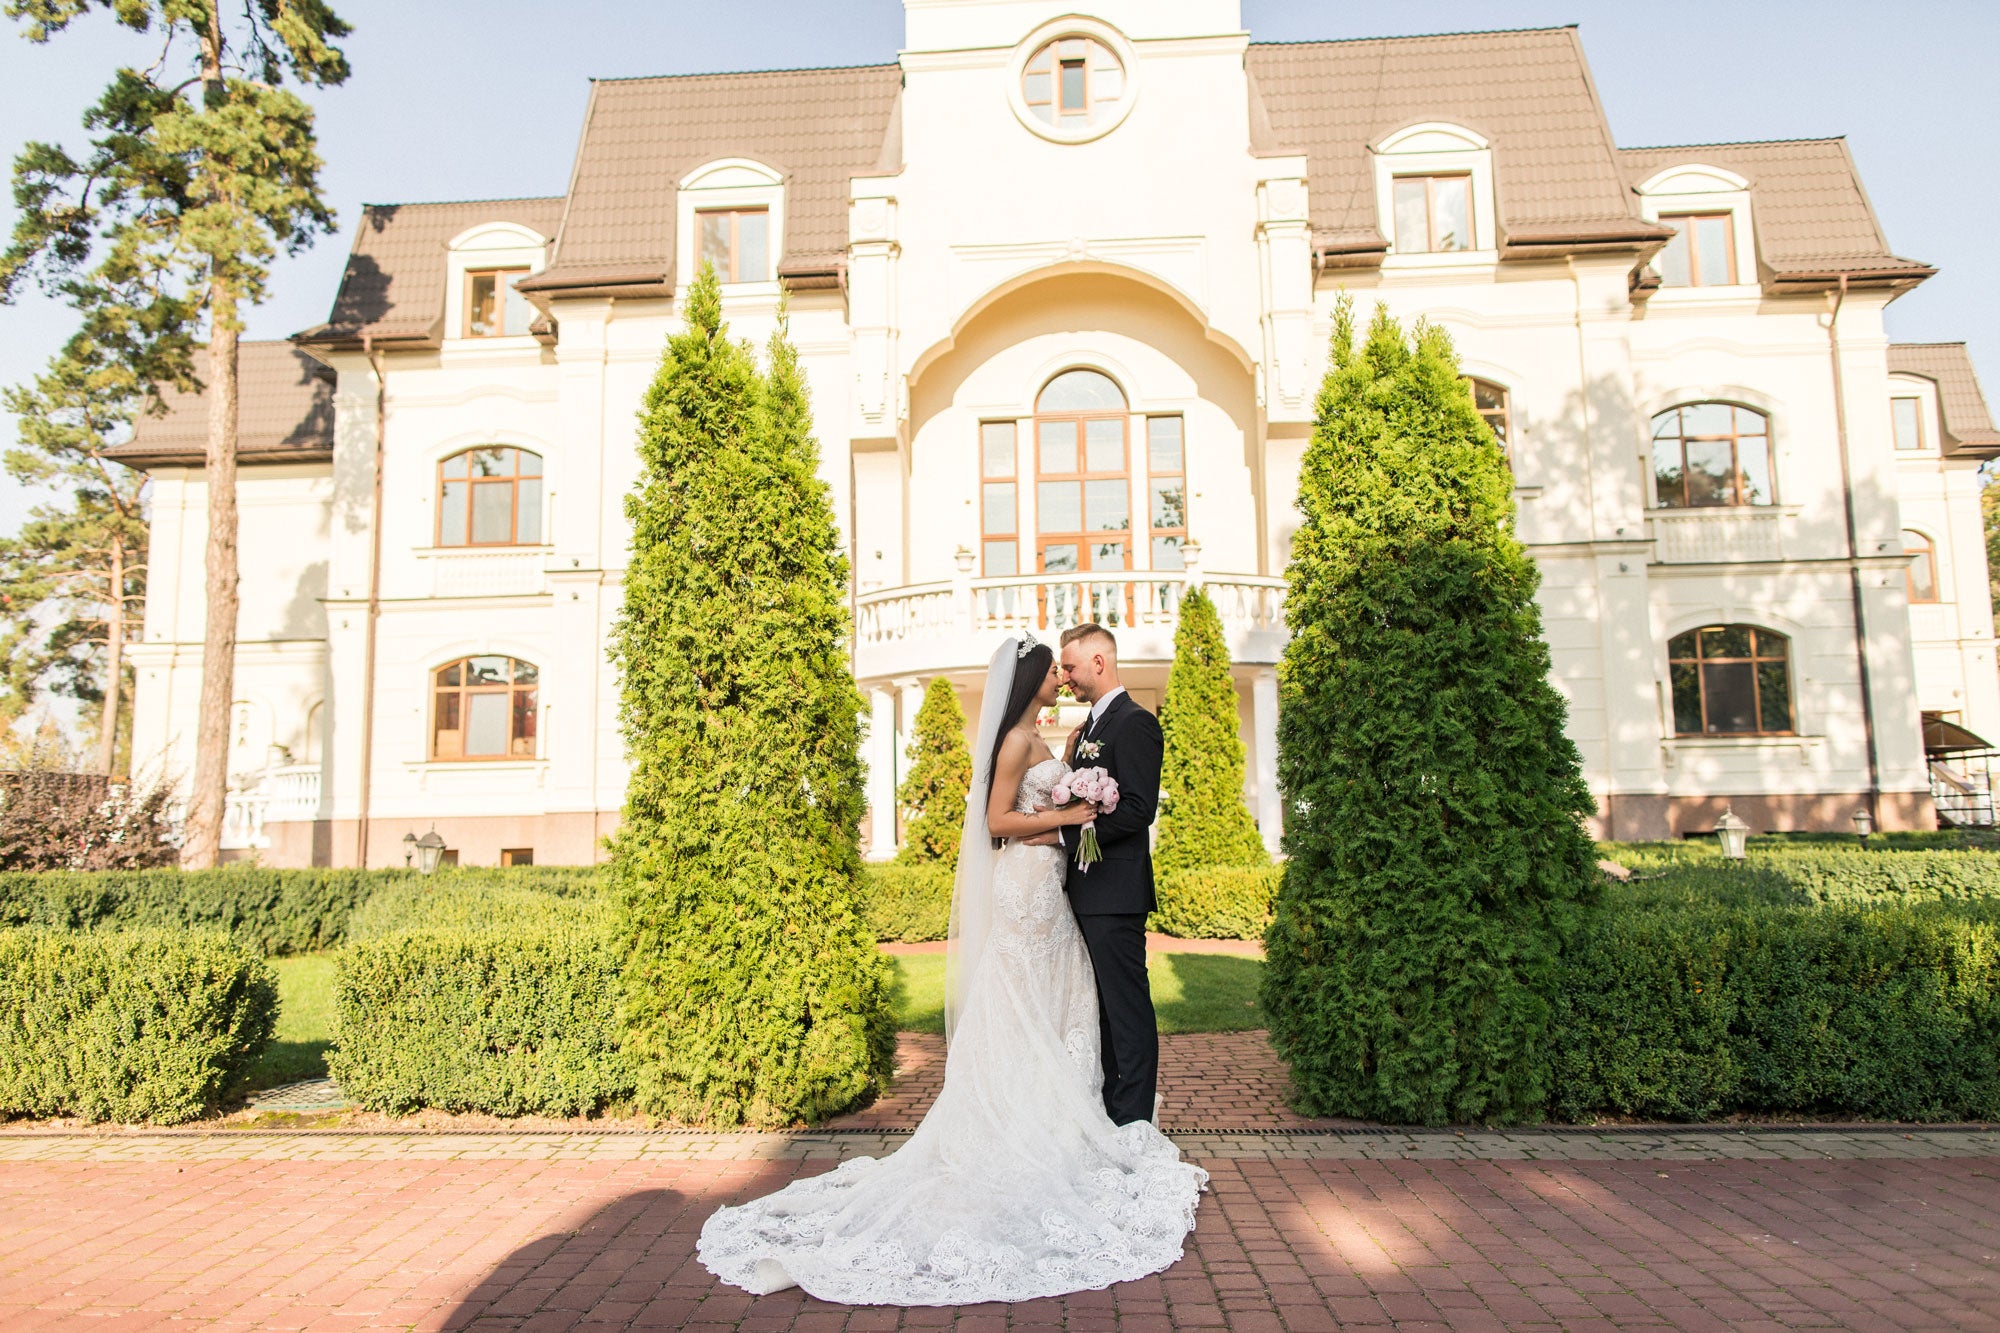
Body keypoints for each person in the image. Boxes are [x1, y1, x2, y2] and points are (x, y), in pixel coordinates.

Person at [697, 636, 1206, 1306]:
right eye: (1056, 669)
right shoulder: (1028, 741)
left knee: (1074, 1007)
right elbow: (999, 820)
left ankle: (1102, 1120)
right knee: (1033, 1001)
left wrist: (1070, 819)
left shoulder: (1099, 727)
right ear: (1034, 680)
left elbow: (1125, 809)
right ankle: (1051, 1122)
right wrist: (1068, 817)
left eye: (1070, 666)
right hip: (1034, 887)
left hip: (1065, 890)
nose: (1064, 676)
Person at [1055, 623, 1165, 1126]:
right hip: (1086, 890)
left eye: (1071, 667)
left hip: (1115, 892)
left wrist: (1078, 833)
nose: (1066, 677)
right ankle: (1110, 1112)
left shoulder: (1135, 722)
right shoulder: (1088, 731)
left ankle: (1134, 1121)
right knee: (1097, 1010)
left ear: (1099, 662)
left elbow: (1140, 808)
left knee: (1125, 1010)